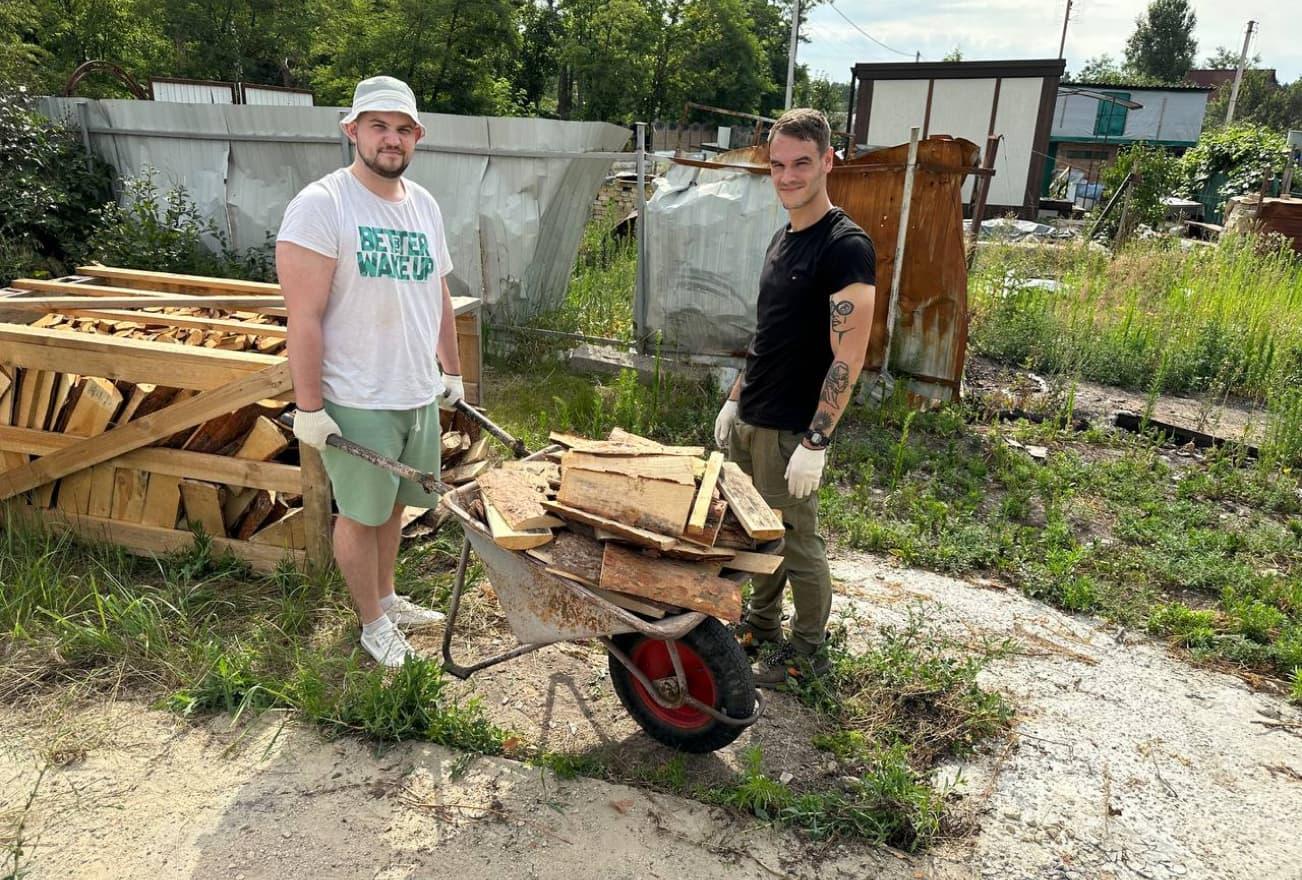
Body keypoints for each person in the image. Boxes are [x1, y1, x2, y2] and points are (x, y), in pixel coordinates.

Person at [276, 75, 463, 667]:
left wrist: (451, 373)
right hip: (356, 395)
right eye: (379, 126)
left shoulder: (425, 204)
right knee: (360, 515)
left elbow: (438, 296)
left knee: (396, 507)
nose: (392, 139)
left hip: (415, 390)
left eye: (403, 129)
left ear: (418, 137)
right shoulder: (322, 204)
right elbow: (302, 316)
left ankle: (386, 597)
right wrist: (309, 408)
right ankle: (371, 624)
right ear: (351, 129)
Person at [714, 108, 877, 688]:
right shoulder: (784, 238)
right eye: (778, 164)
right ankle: (761, 624)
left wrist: (816, 440)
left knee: (797, 541)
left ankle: (807, 653)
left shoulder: (844, 247)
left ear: (828, 161)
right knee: (755, 532)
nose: (787, 176)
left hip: (791, 431)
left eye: (801, 163)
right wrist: (736, 399)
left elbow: (849, 355)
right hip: (754, 417)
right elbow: (768, 333)